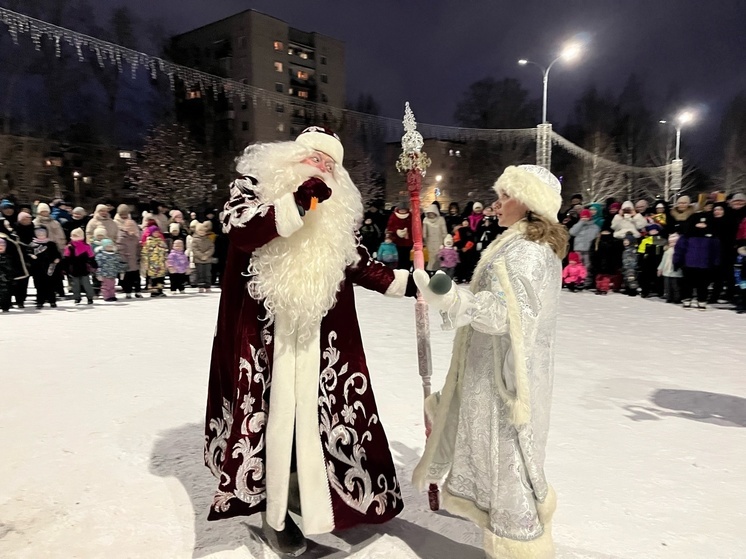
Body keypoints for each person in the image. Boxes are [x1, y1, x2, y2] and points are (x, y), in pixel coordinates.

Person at [205, 127, 409, 556]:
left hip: (319, 339)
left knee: (312, 420)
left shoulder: (333, 216)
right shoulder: (254, 188)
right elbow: (240, 229)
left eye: (331, 164)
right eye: (316, 158)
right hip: (262, 336)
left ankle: (308, 496)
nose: (323, 168)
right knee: (267, 421)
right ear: (292, 156)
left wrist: (415, 285)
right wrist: (298, 200)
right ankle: (272, 515)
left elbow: (360, 264)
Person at [412, 164, 567, 559]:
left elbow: (506, 317)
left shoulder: (528, 252)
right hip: (492, 369)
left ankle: (518, 547)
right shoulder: (516, 244)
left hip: (506, 379)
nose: (496, 205)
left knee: (509, 463)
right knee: (495, 460)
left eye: (506, 196)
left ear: (529, 204)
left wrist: (450, 299)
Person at [674, 213, 720, 309]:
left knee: (703, 284)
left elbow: (715, 251)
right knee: (687, 283)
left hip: (705, 265)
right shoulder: (687, 236)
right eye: (699, 223)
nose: (701, 225)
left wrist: (716, 263)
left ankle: (701, 300)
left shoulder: (712, 237)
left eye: (703, 223)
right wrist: (677, 261)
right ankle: (687, 298)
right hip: (689, 264)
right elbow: (680, 249)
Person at [29, 225, 61, 309]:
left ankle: (52, 301)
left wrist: (57, 258)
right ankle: (40, 301)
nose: (40, 234)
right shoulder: (32, 244)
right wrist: (31, 256)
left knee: (50, 285)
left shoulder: (51, 244)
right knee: (39, 286)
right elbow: (27, 254)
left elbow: (57, 253)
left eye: (42, 232)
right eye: (38, 233)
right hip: (37, 269)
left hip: (50, 268)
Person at [63, 228, 96, 305]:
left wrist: (94, 265)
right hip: (73, 268)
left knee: (86, 283)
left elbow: (91, 256)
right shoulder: (69, 247)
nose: (74, 237)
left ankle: (90, 297)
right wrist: (65, 268)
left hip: (84, 267)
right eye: (73, 236)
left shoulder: (86, 246)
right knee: (75, 284)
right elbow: (66, 258)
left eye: (76, 236)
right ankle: (77, 297)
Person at [569, 208, 600, 287]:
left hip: (587, 249)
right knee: (576, 266)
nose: (584, 218)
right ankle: (576, 280)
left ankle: (586, 281)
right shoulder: (578, 225)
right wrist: (580, 223)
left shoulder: (594, 227)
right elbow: (572, 232)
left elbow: (594, 236)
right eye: (583, 217)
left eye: (586, 217)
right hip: (578, 249)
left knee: (587, 266)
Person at [637, 223, 666, 298]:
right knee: (646, 277)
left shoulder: (663, 240)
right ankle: (645, 291)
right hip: (647, 262)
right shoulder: (645, 240)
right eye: (651, 230)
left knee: (659, 278)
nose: (653, 232)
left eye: (654, 230)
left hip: (659, 261)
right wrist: (641, 261)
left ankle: (660, 291)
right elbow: (641, 251)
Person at [117, 219, 142, 299]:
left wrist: (139, 257)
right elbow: (120, 249)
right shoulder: (122, 237)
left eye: (132, 226)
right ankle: (128, 292)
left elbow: (138, 248)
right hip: (126, 262)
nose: (131, 228)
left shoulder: (135, 238)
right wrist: (123, 259)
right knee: (127, 279)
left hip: (135, 261)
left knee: (137, 278)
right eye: (129, 226)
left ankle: (138, 291)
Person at [141, 225, 168, 298]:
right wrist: (146, 263)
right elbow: (145, 253)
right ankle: (154, 291)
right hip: (152, 264)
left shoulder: (161, 242)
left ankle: (160, 290)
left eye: (157, 232)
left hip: (161, 264)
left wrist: (166, 260)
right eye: (154, 232)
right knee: (153, 278)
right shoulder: (148, 242)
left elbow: (165, 251)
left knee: (161, 278)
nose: (156, 233)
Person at [385, 202, 413, 270]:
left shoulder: (410, 216)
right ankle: (399, 270)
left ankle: (406, 270)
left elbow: (414, 227)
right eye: (401, 210)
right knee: (398, 257)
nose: (402, 211)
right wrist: (396, 231)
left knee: (406, 257)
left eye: (404, 210)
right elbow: (390, 227)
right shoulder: (394, 216)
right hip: (396, 241)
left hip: (408, 241)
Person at [658, 233, 682, 304]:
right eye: (671, 242)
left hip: (675, 271)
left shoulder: (679, 250)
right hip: (666, 271)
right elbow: (663, 260)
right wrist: (660, 268)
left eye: (674, 242)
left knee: (675, 286)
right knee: (667, 286)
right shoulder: (667, 250)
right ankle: (669, 297)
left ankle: (677, 298)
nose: (672, 243)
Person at [423, 203, 448, 271]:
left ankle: (439, 270)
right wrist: (424, 240)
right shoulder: (425, 220)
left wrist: (445, 242)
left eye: (432, 213)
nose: (431, 214)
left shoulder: (441, 219)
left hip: (439, 241)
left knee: (439, 256)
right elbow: (424, 232)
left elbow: (444, 231)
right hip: (429, 242)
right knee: (430, 257)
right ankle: (430, 271)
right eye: (429, 213)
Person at [191, 222, 215, 293]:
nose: (202, 232)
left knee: (208, 274)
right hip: (198, 260)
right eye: (200, 231)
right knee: (200, 273)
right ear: (197, 231)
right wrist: (201, 256)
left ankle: (207, 286)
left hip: (207, 259)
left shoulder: (208, 239)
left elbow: (211, 247)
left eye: (203, 231)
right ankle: (201, 286)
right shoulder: (194, 240)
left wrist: (206, 255)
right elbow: (194, 249)